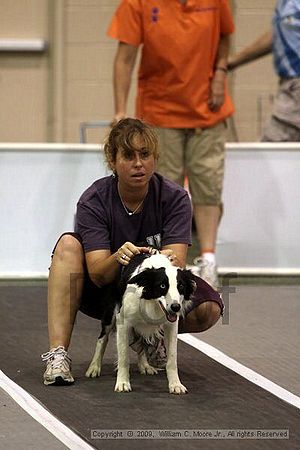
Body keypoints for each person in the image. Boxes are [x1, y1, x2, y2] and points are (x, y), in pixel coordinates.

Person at [41, 118, 223, 386]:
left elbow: (176, 265)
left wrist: (152, 259)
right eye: (128, 155)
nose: (138, 163)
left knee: (208, 308)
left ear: (155, 158)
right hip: (103, 293)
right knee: (68, 244)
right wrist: (118, 256)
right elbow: (99, 274)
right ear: (112, 160)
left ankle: (150, 334)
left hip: (152, 290)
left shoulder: (175, 198)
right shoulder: (93, 200)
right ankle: (58, 355)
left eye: (145, 154)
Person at [107, 0, 235, 289]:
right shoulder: (138, 3)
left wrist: (221, 72)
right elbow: (124, 58)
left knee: (208, 185)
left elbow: (225, 36)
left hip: (207, 110)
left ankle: (208, 260)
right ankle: (169, 263)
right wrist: (119, 109)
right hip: (160, 113)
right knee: (164, 190)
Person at [228, 0, 300, 141]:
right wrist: (235, 60)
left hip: (296, 87)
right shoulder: (285, 5)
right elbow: (279, 33)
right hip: (289, 86)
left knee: (271, 153)